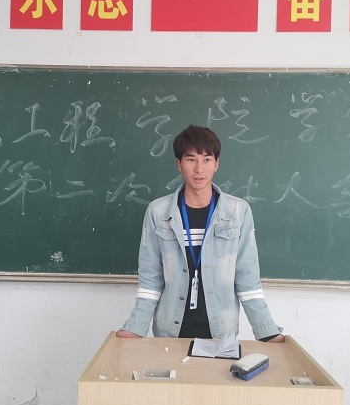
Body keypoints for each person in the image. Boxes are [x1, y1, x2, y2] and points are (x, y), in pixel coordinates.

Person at [117, 125, 284, 342]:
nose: (199, 169)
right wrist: (136, 327)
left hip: (221, 335)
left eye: (206, 159)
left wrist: (266, 331)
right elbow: (150, 278)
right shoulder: (158, 212)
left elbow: (247, 279)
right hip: (170, 334)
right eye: (191, 159)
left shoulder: (238, 212)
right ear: (179, 164)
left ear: (216, 164)